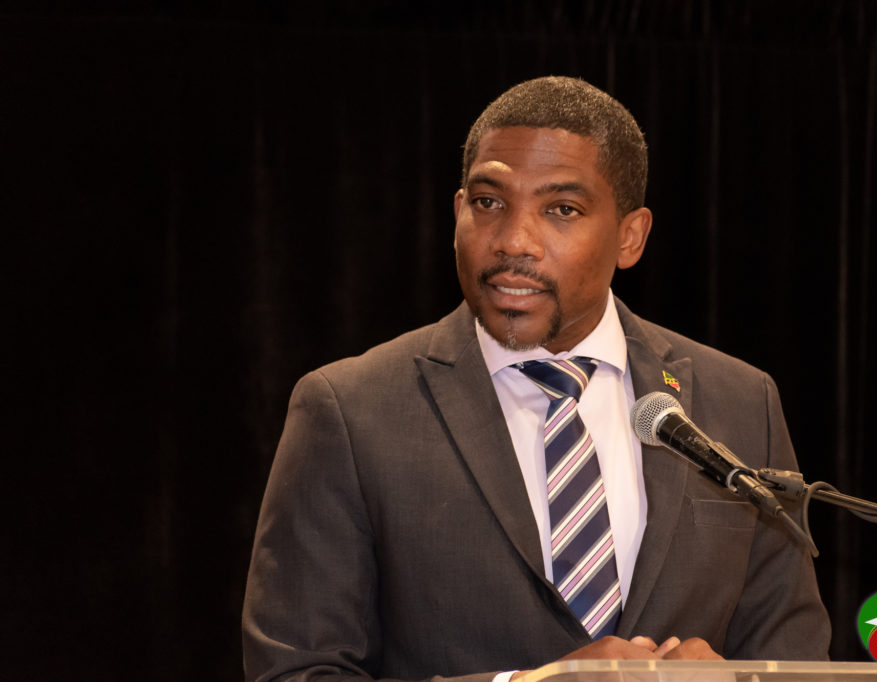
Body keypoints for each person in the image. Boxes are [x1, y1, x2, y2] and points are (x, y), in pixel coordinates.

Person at [242, 76, 831, 682]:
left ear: (630, 237)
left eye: (562, 210)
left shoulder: (740, 403)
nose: (513, 241)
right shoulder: (350, 411)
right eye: (487, 202)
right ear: (457, 213)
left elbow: (795, 660)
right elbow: (295, 671)